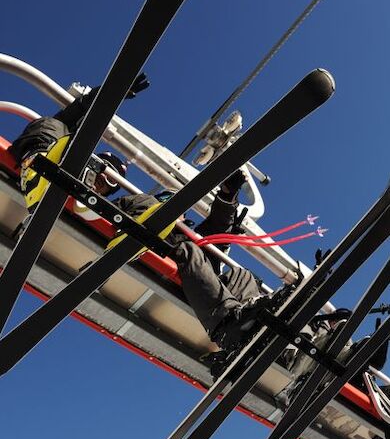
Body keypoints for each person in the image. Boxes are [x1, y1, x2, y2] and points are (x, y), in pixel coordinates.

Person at [113, 169, 269, 375]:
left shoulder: (186, 233)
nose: (182, 215)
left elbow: (216, 227)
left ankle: (256, 322)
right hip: (154, 247)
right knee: (190, 249)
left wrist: (227, 197)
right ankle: (226, 325)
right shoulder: (143, 203)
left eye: (183, 212)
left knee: (242, 275)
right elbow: (115, 211)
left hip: (195, 270)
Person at [8, 72, 149, 212]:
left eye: (111, 180)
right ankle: (37, 172)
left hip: (88, 210)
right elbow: (80, 109)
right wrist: (112, 93)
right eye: (102, 167)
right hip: (53, 167)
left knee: (145, 202)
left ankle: (159, 228)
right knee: (56, 125)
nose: (103, 176)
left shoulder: (98, 212)